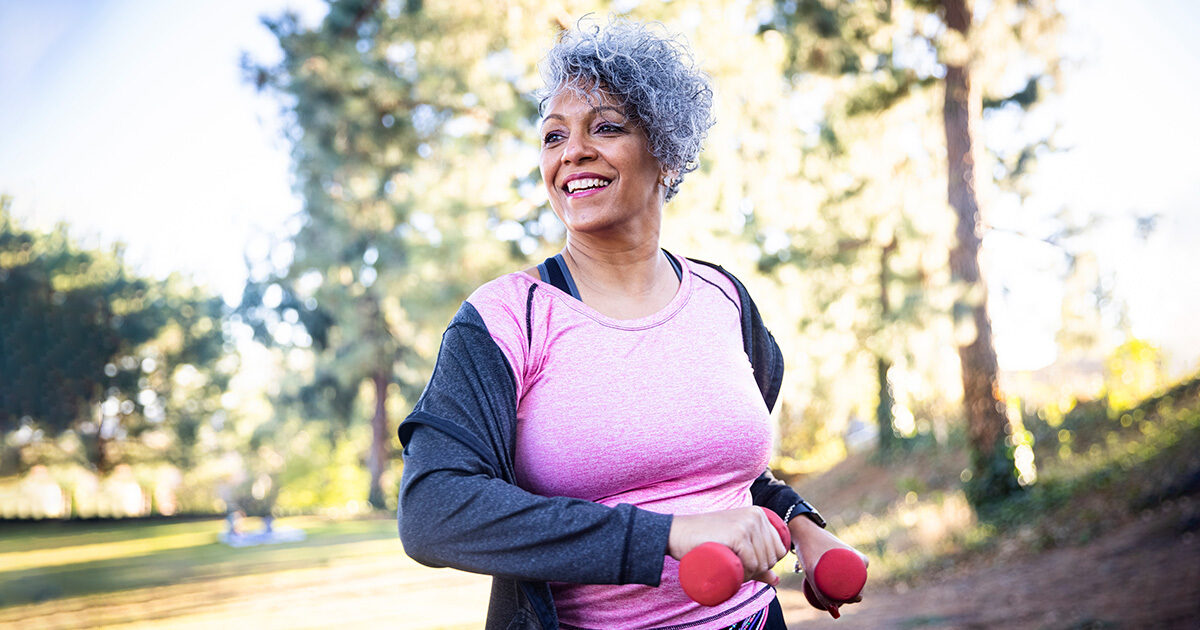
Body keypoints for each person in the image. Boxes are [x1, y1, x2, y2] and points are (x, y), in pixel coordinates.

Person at [397, 18, 865, 630]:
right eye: (553, 136)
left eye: (606, 127)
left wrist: (802, 526)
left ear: (665, 152)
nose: (572, 152)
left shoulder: (724, 299)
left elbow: (731, 478)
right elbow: (435, 510)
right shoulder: (506, 318)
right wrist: (667, 537)